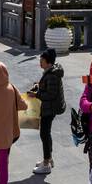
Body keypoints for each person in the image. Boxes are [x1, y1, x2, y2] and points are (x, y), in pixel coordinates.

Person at [28, 47, 65, 175]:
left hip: (50, 108)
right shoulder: (50, 72)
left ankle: (46, 163)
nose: (40, 62)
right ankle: (48, 159)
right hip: (49, 107)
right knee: (45, 133)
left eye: (42, 60)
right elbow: (48, 88)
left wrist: (36, 95)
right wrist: (39, 86)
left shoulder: (52, 75)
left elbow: (51, 95)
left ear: (48, 62)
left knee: (44, 134)